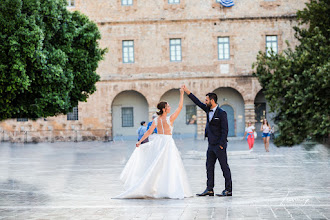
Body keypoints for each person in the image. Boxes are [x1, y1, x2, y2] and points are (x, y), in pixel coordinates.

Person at [114, 87, 192, 199]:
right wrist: (181, 94)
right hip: (167, 142)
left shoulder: (156, 120)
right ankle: (168, 189)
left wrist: (140, 141)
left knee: (157, 165)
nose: (170, 107)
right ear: (164, 109)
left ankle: (154, 187)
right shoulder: (170, 119)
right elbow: (180, 107)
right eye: (168, 106)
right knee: (169, 165)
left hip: (159, 142)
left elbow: (149, 132)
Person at [182, 85, 232, 197]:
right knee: (209, 167)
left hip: (219, 145)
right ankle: (210, 189)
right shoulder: (207, 109)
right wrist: (187, 91)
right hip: (210, 144)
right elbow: (197, 102)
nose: (205, 102)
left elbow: (225, 130)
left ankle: (228, 190)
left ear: (212, 100)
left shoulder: (221, 113)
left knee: (224, 167)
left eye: (207, 100)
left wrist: (221, 144)